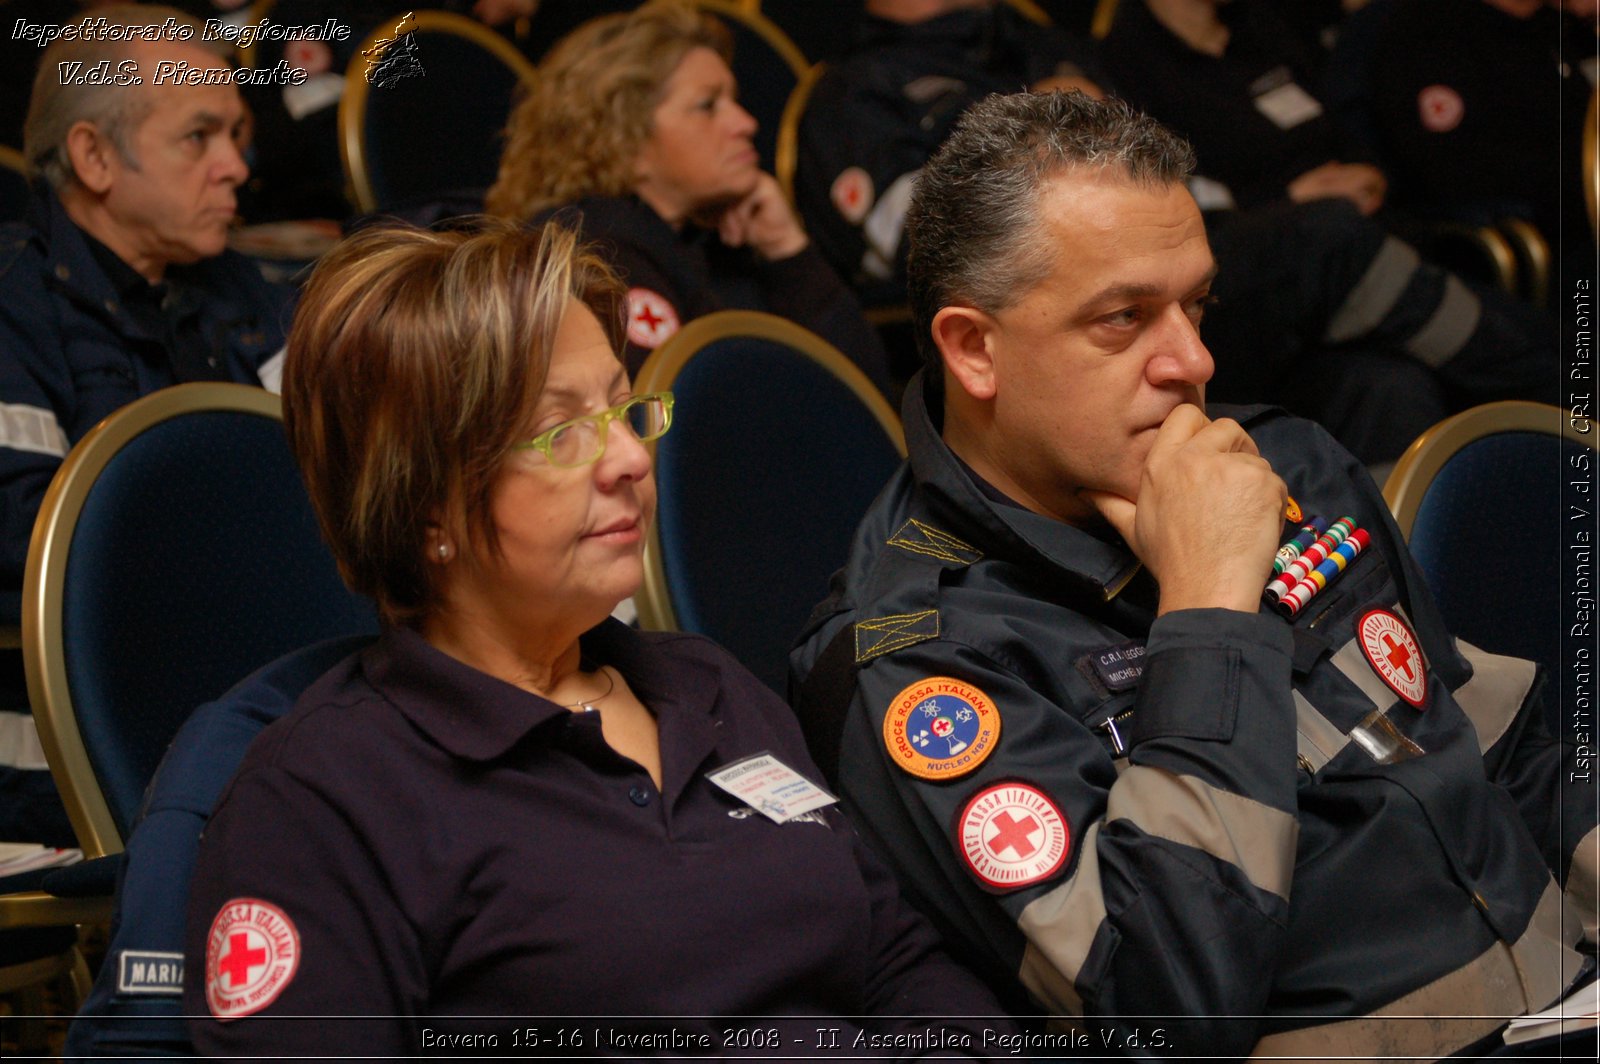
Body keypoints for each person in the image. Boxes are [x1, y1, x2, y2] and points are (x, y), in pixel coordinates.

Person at [790, 92, 1598, 1058]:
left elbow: (1504, 748)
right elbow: (1164, 1004)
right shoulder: (915, 658)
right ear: (975, 349)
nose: (1194, 360)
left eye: (1197, 304)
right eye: (1123, 318)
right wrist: (1211, 610)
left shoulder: (1284, 463)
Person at [182, 219, 1006, 1054]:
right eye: (563, 430)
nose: (630, 458)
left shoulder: (706, 688)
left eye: (622, 406)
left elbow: (897, 958)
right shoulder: (322, 800)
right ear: (425, 502)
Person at [795, 0, 1559, 465]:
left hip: (1194, 262)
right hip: (1058, 316)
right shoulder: (853, 89)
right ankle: (1569, 386)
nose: (1198, 361)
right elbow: (923, 248)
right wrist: (1045, 165)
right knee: (1322, 238)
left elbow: (1167, 183)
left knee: (1385, 385)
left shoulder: (1043, 45)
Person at [0, 4, 290, 845]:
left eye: (236, 134)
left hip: (245, 719)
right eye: (199, 137)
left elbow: (328, 489)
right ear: (94, 155)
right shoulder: (13, 309)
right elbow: (35, 553)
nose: (236, 166)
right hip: (74, 752)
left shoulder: (236, 293)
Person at [485, 0, 891, 392]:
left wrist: (787, 250)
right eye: (708, 105)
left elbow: (866, 397)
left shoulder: (719, 244)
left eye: (734, 100)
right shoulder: (588, 254)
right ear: (626, 140)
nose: (746, 123)